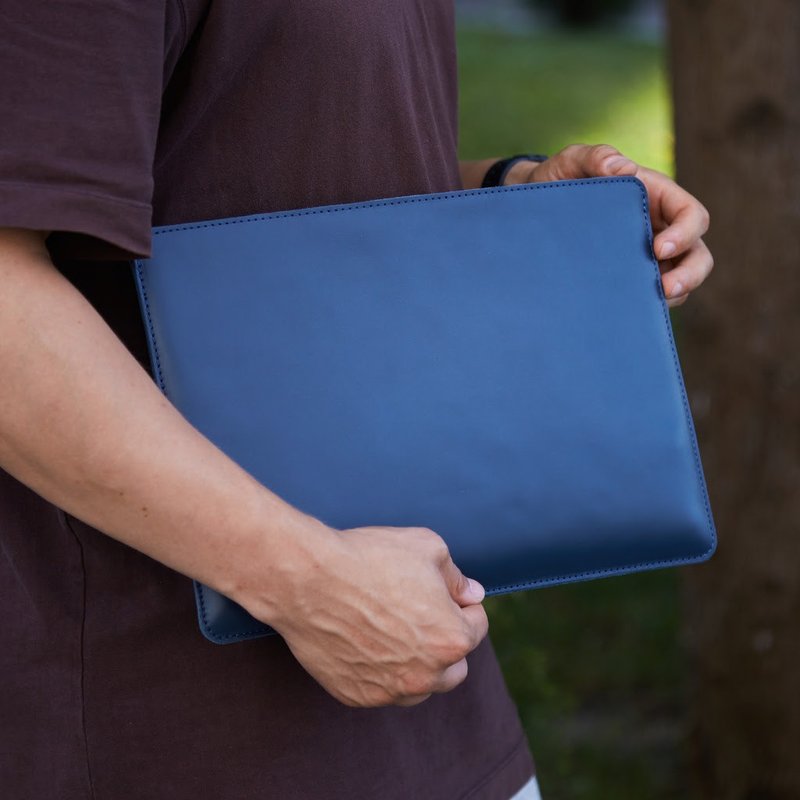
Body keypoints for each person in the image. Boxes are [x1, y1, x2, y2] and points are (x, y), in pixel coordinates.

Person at [0, 2, 712, 798]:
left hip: (428, 701)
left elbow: (263, 171)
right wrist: (306, 583)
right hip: (168, 730)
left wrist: (517, 202)